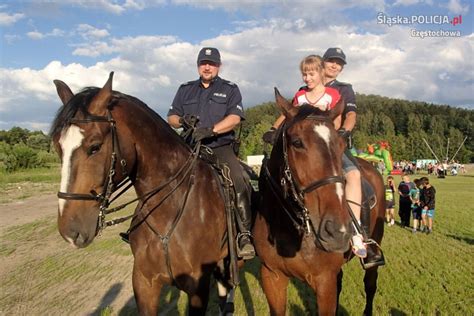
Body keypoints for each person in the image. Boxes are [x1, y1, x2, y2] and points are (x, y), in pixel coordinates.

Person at [264, 52, 383, 266]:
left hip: (331, 144)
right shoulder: (301, 94)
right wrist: (273, 129)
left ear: (319, 72)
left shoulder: (339, 91)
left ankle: (358, 232)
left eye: (339, 63)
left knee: (353, 174)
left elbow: (343, 117)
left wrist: (341, 131)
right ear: (323, 65)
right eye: (332, 62)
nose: (335, 66)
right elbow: (289, 113)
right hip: (309, 146)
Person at [167, 47, 255, 259]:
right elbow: (171, 116)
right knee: (158, 177)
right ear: (198, 65)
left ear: (219, 66)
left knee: (239, 179)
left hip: (219, 146)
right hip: (188, 147)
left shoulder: (230, 89)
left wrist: (212, 130)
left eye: (212, 63)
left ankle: (244, 235)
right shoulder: (185, 89)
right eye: (204, 63)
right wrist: (182, 121)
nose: (207, 67)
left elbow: (235, 118)